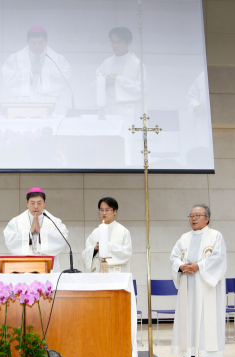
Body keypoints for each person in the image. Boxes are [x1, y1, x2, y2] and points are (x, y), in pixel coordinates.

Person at [169, 204, 227, 357]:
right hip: (188, 285)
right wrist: (181, 266)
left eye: (197, 215)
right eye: (191, 215)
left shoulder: (216, 236)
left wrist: (199, 266)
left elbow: (219, 258)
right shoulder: (184, 238)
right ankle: (190, 356)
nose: (193, 218)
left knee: (207, 319)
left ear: (207, 218)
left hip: (206, 285)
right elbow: (174, 256)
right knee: (189, 318)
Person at [95, 27, 148, 165]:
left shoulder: (136, 64)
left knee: (127, 145)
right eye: (112, 42)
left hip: (128, 111)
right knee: (109, 144)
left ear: (128, 42)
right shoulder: (107, 63)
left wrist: (119, 81)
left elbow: (142, 89)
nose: (115, 45)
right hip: (109, 110)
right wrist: (104, 82)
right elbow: (95, 83)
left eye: (118, 42)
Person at [1, 26, 73, 113]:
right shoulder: (15, 58)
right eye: (33, 43)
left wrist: (42, 72)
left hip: (51, 105)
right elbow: (7, 77)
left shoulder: (57, 59)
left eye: (40, 42)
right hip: (22, 105)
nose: (37, 46)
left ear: (46, 41)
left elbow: (66, 76)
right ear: (27, 42)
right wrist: (30, 71)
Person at [3, 188, 68, 272]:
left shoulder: (55, 222)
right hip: (24, 268)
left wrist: (41, 232)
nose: (36, 206)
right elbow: (9, 239)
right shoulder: (16, 222)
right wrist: (29, 232)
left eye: (39, 203)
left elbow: (63, 238)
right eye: (32, 203)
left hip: (47, 270)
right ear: (27, 203)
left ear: (45, 203)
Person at [81, 197, 132, 273]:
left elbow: (127, 253)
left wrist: (107, 246)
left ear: (115, 211)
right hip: (98, 274)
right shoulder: (95, 232)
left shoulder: (123, 231)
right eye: (102, 210)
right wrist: (94, 249)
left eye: (107, 210)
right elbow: (86, 254)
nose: (104, 213)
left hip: (117, 275)